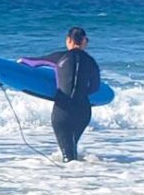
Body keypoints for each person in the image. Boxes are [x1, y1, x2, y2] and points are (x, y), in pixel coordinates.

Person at [36, 26, 100, 162]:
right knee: (72, 149)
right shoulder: (92, 62)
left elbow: (33, 62)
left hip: (63, 110)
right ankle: (82, 178)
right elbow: (95, 87)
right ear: (84, 42)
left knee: (68, 156)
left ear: (68, 40)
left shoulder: (60, 57)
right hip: (83, 111)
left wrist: (17, 64)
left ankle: (69, 179)